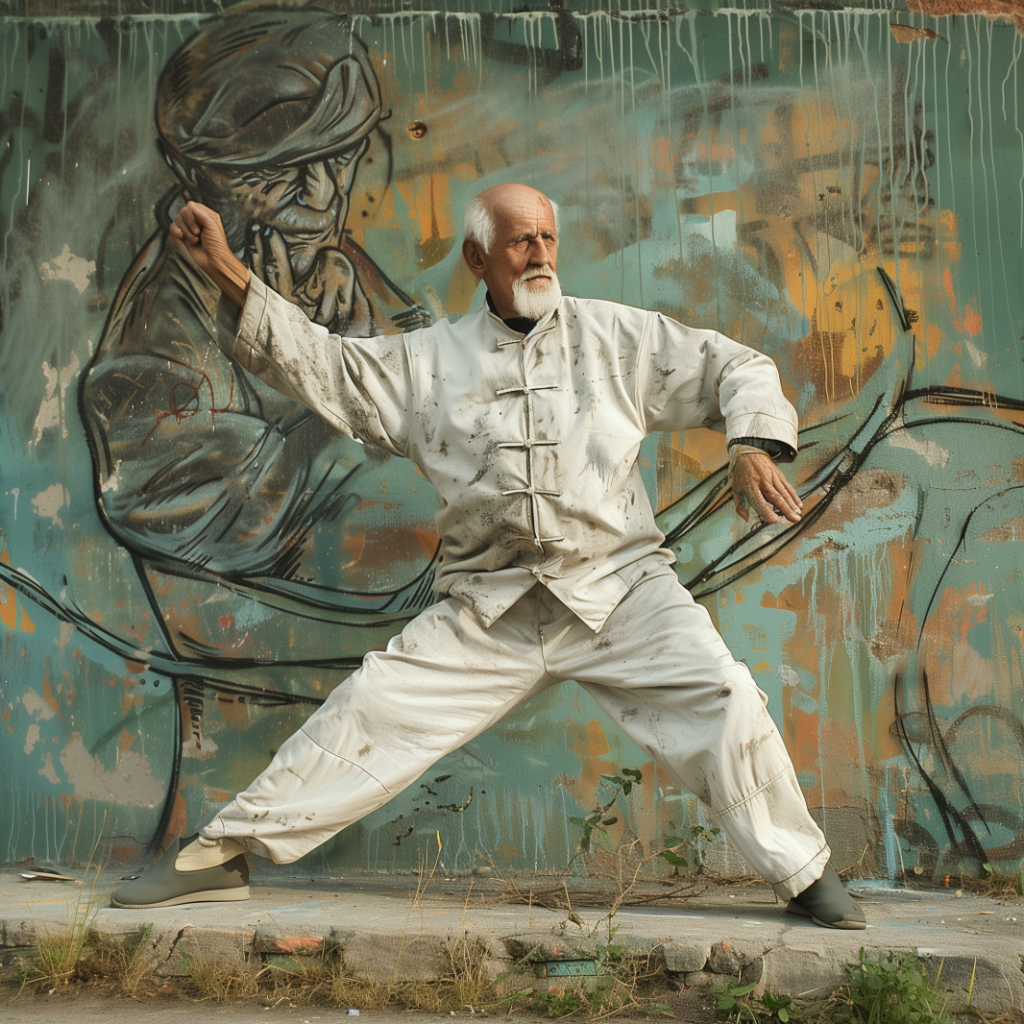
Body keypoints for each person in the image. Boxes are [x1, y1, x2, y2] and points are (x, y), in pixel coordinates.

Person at [111, 183, 866, 930]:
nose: (540, 254)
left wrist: (748, 445)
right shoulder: (429, 361)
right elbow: (326, 365)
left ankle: (803, 874)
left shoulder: (617, 338)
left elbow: (737, 366)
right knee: (370, 710)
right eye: (519, 241)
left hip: (623, 592)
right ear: (478, 256)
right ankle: (223, 856)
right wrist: (224, 269)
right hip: (489, 605)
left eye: (547, 238)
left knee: (726, 701)